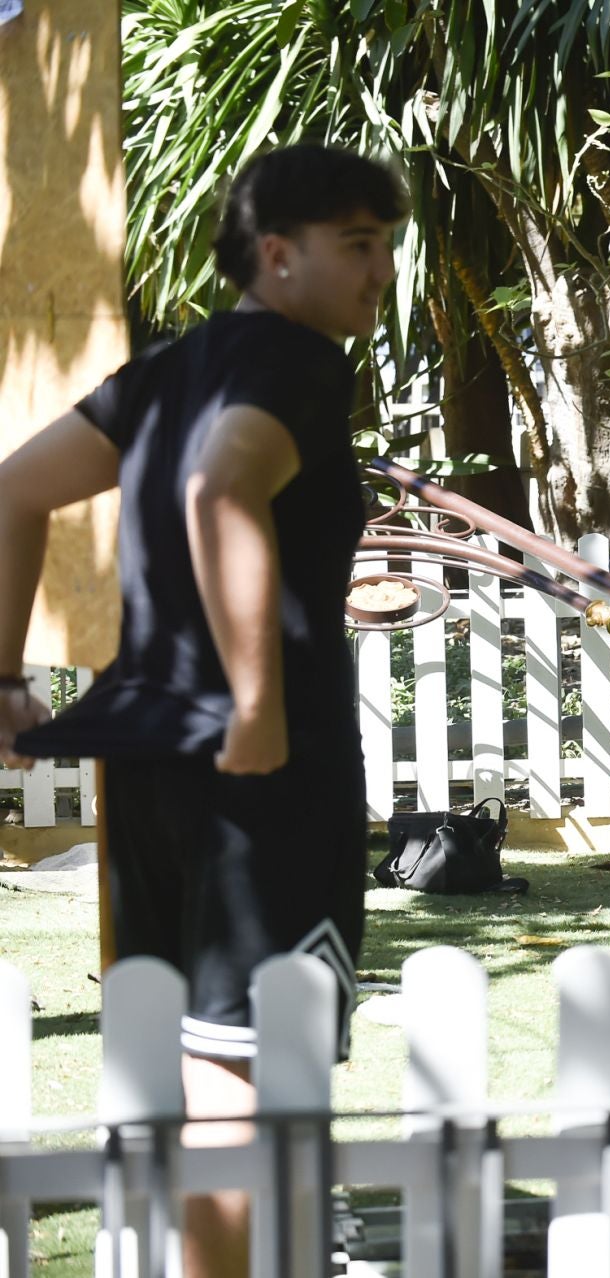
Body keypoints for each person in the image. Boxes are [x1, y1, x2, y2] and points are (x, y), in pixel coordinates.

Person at [0, 143, 405, 1277]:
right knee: (249, 1057)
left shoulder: (170, 366)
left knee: (187, 1052)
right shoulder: (299, 359)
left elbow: (14, 489)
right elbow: (219, 486)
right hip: (259, 774)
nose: (381, 273)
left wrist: (0, 676)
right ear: (278, 257)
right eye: (359, 246)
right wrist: (259, 704)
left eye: (388, 246)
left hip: (147, 763)